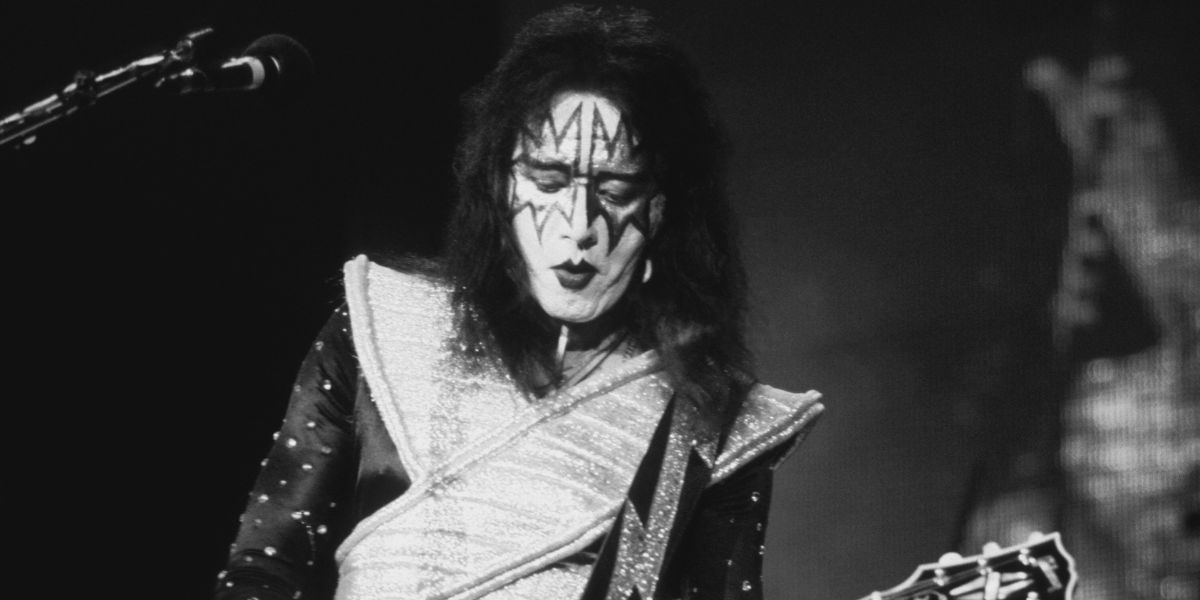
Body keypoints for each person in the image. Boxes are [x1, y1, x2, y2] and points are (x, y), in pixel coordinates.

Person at [213, 6, 822, 600]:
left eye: (616, 189)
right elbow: (264, 571)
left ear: (662, 209)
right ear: (501, 185)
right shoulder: (382, 326)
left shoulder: (708, 419)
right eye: (548, 183)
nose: (579, 227)